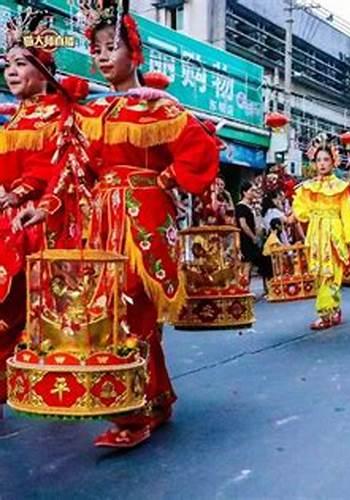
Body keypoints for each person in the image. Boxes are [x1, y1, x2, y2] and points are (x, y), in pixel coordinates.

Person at [19, 1, 219, 447]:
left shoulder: (159, 110)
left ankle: (134, 414)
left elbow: (200, 151)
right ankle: (156, 398)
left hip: (144, 222)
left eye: (112, 47)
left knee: (133, 310)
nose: (103, 56)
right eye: (97, 49)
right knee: (117, 314)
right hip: (101, 224)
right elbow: (72, 171)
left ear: (135, 53)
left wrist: (164, 179)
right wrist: (47, 206)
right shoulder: (90, 115)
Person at [0, 8, 64, 414]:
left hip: (41, 220)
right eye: (8, 64)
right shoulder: (14, 117)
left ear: (44, 70)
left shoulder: (60, 115)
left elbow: (58, 167)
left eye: (21, 63)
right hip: (8, 217)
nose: (11, 71)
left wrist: (24, 192)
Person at [292, 133, 350, 330]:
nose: (322, 164)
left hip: (334, 232)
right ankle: (332, 307)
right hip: (315, 232)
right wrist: (301, 214)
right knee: (319, 272)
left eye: (326, 160)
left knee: (333, 272)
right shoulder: (308, 187)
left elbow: (347, 213)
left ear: (333, 162)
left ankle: (325, 312)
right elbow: (301, 210)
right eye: (318, 160)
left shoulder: (341, 187)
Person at [236, 180, 271, 294]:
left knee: (259, 262)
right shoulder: (241, 207)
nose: (253, 193)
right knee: (248, 264)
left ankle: (266, 288)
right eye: (251, 190)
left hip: (253, 238)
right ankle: (244, 290)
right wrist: (252, 237)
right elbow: (243, 224)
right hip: (246, 239)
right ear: (244, 192)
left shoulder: (252, 206)